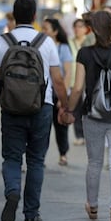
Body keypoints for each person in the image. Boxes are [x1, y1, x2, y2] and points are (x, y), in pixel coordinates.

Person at [0, 0, 71, 221]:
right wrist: (65, 106)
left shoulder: (1, 42)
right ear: (35, 16)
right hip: (42, 107)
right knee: (36, 160)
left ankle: (12, 191)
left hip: (11, 108)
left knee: (12, 157)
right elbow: (57, 80)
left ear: (14, 16)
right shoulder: (46, 42)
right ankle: (31, 213)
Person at [66, 10, 111, 221]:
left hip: (93, 116)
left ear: (92, 30)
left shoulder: (84, 54)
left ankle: (93, 206)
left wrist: (68, 111)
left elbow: (77, 88)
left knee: (94, 162)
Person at [42, 18, 73, 166]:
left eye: (46, 28)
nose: (43, 31)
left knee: (61, 125)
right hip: (43, 93)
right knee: (43, 128)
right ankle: (40, 156)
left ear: (55, 31)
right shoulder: (41, 46)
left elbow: (68, 73)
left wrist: (63, 97)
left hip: (58, 92)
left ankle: (63, 154)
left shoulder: (64, 48)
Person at [68, 18, 88, 146]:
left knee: (87, 109)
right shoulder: (69, 42)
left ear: (85, 28)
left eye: (80, 26)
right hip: (73, 80)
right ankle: (79, 135)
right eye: (75, 26)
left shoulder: (90, 41)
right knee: (76, 109)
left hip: (87, 81)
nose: (78, 29)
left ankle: (88, 134)